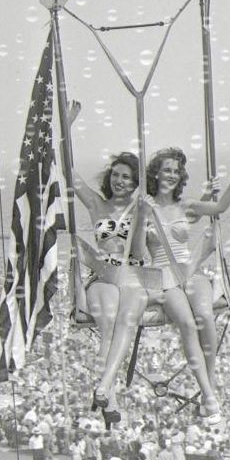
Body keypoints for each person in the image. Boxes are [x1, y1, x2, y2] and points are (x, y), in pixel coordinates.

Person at [142, 147, 230, 419]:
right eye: (166, 169)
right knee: (188, 325)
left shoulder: (185, 206)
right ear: (155, 173)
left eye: (176, 171)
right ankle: (209, 394)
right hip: (165, 278)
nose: (171, 175)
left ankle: (208, 387)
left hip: (190, 271)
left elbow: (220, 207)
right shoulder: (144, 209)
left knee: (205, 315)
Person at [74, 147, 148, 423]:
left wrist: (142, 219)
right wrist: (65, 130)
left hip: (130, 273)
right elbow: (69, 174)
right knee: (107, 323)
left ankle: (104, 389)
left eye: (127, 177)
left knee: (121, 322)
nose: (120, 181)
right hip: (104, 273)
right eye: (116, 175)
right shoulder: (97, 205)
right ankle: (109, 399)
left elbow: (139, 255)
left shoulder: (141, 207)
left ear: (135, 182)